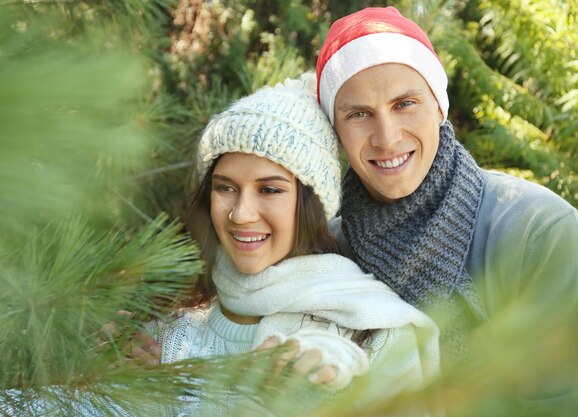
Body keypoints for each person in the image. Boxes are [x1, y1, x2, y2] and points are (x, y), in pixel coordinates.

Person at [315, 2, 578, 390]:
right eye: (358, 114)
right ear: (335, 131)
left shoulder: (536, 229)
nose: (387, 138)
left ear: (439, 105)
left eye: (405, 104)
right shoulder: (327, 252)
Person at [144, 75, 441, 416]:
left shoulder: (376, 333)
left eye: (269, 190)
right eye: (225, 188)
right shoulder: (169, 323)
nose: (241, 214)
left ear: (312, 204)